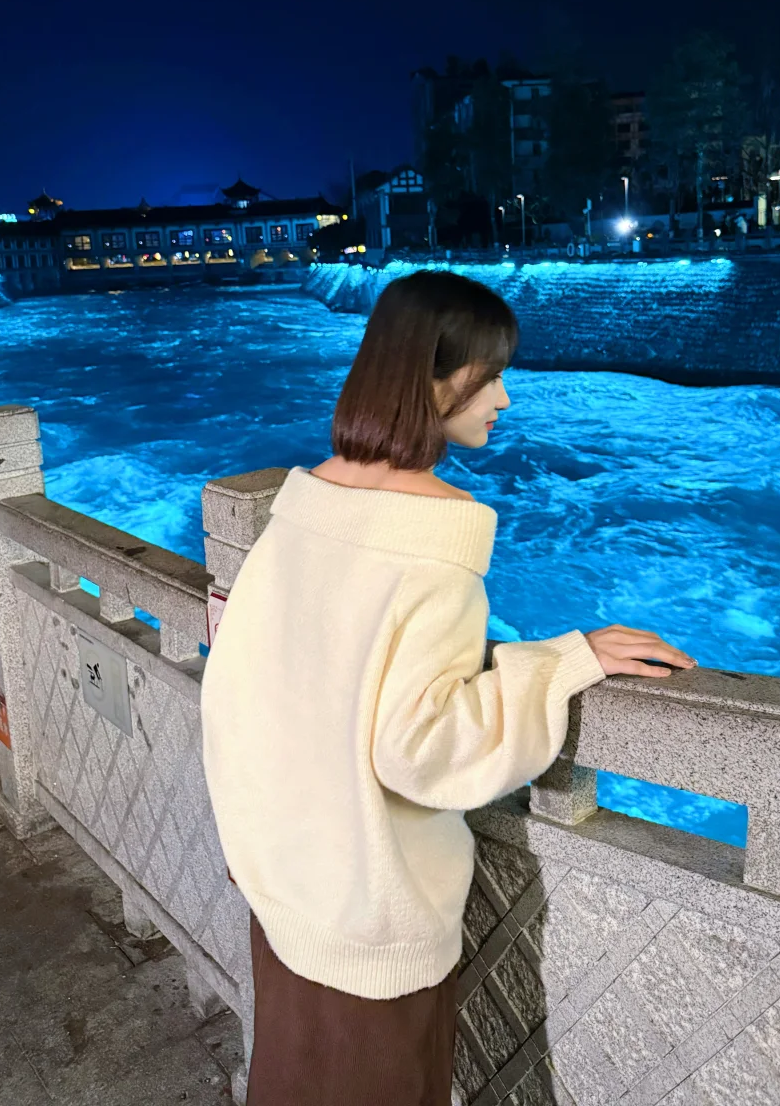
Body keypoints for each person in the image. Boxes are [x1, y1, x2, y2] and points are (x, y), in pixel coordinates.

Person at [200, 270, 695, 1106]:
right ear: (427, 377)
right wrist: (563, 662)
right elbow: (422, 750)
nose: (503, 398)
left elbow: (244, 681)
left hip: (284, 881)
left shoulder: (312, 497)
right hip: (365, 916)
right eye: (488, 374)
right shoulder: (433, 536)